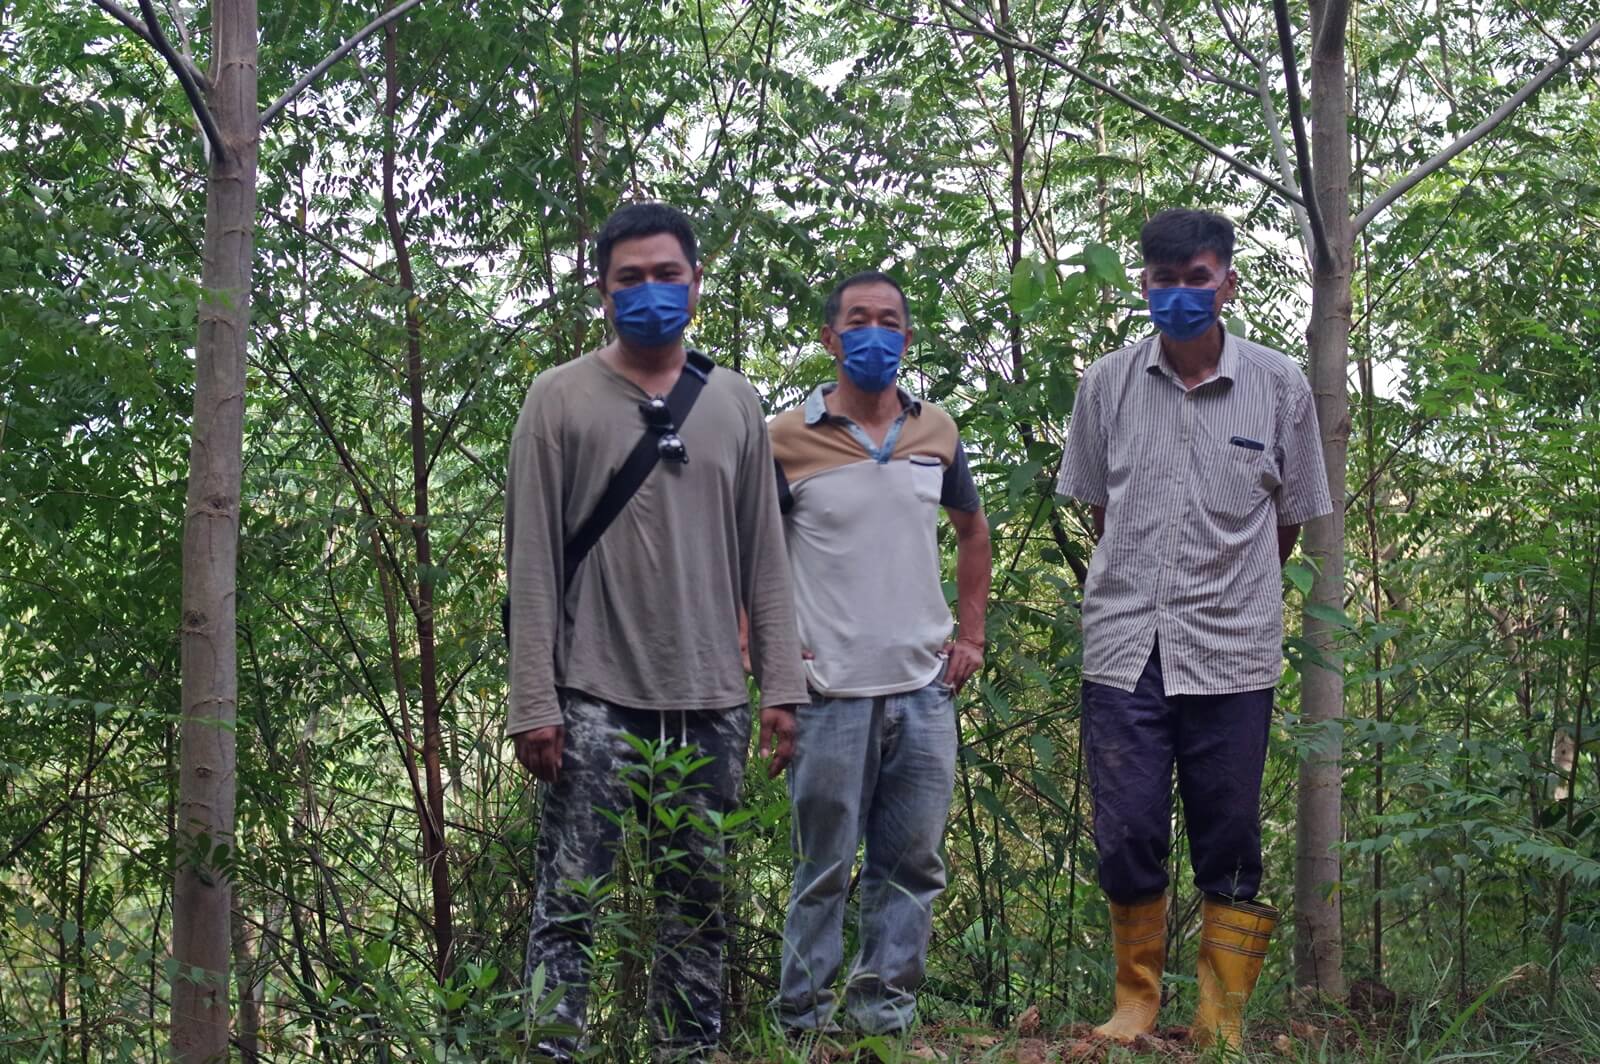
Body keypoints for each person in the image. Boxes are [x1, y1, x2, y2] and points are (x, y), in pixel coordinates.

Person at [505, 202, 808, 1062]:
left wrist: (781, 687)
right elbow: (529, 558)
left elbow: (767, 561)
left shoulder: (738, 405)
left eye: (666, 275)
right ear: (602, 291)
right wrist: (535, 700)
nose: (649, 293)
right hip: (592, 696)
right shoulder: (557, 399)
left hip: (710, 700)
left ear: (695, 283)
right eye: (629, 279)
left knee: (697, 912)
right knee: (568, 909)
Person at [1055, 209, 1333, 1050]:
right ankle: (1135, 1000)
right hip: (1124, 643)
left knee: (1230, 828)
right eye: (1163, 280)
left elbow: (1287, 520)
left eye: (1197, 279)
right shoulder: (1104, 384)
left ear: (1228, 284)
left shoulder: (1280, 385)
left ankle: (1221, 1015)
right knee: (1129, 824)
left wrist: (1226, 584)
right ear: (1143, 284)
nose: (1180, 295)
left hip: (1233, 648)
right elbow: (1105, 508)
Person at [769, 271, 992, 1041]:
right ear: (830, 339)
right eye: (858, 320)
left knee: (912, 869)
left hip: (924, 690)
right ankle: (799, 1029)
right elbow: (748, 554)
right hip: (827, 690)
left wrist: (971, 635)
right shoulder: (783, 436)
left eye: (890, 321)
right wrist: (766, 657)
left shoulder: (938, 431)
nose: (875, 333)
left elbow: (972, 530)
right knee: (822, 870)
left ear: (907, 337)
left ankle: (880, 1030)